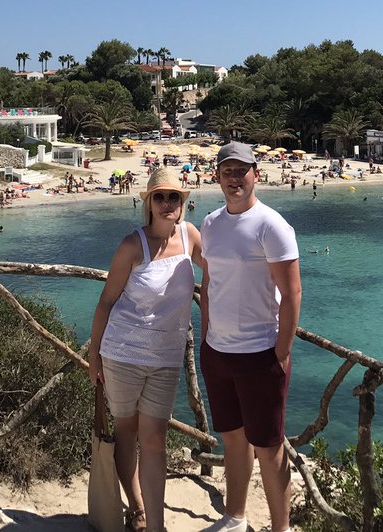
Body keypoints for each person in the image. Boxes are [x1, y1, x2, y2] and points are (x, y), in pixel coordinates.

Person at [88, 168, 204, 532]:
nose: (167, 203)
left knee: (155, 440)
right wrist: (93, 356)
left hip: (166, 359)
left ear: (183, 202)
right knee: (127, 432)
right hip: (122, 355)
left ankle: (156, 524)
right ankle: (137, 509)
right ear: (149, 203)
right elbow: (106, 301)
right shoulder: (132, 245)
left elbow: (222, 270)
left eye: (174, 197)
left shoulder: (190, 236)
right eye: (160, 197)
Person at [200, 142, 302, 532]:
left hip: (260, 354)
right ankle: (235, 518)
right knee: (232, 440)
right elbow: (209, 284)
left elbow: (292, 293)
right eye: (227, 171)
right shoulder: (211, 223)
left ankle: (281, 528)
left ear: (256, 174)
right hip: (218, 353)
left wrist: (282, 350)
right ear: (217, 177)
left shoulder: (271, 225)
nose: (234, 178)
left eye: (241, 171)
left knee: (269, 448)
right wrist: (207, 338)